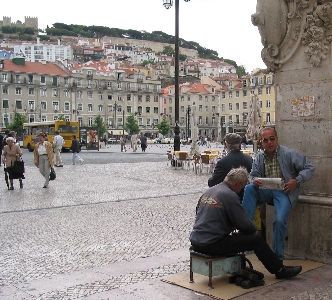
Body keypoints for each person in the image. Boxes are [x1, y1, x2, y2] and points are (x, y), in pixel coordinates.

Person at [190, 167, 302, 280]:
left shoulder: (209, 191)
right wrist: (254, 231)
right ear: (238, 183)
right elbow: (243, 224)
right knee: (256, 240)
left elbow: (199, 213)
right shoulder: (230, 195)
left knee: (238, 238)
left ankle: (245, 264)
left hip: (196, 241)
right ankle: (279, 270)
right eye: (242, 187)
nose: (241, 190)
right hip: (212, 244)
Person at [242, 127, 315, 261]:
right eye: (265, 140)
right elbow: (252, 175)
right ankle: (246, 225)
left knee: (280, 221)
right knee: (249, 188)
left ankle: (277, 258)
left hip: (283, 192)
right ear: (261, 142)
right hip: (265, 190)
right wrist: (255, 180)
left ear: (277, 139)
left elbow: (309, 168)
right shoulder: (259, 157)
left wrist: (296, 180)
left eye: (272, 139)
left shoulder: (288, 153)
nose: (269, 142)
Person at [208, 133, 252, 200]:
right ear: (240, 144)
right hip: (247, 198)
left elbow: (212, 183)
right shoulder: (249, 159)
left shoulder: (222, 162)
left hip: (229, 199)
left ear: (225, 145)